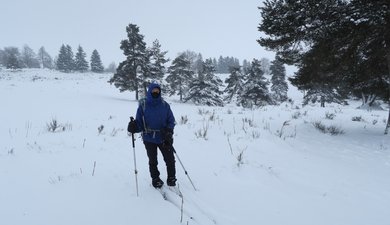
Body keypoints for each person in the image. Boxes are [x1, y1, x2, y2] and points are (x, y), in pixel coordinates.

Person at [127, 82, 176, 188]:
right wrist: (133, 127)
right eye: (153, 91)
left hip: (164, 137)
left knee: (170, 159)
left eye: (157, 91)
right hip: (149, 137)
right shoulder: (143, 105)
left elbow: (171, 120)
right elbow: (139, 123)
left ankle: (171, 178)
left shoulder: (165, 105)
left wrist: (169, 131)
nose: (155, 92)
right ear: (150, 91)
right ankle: (155, 179)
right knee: (153, 160)